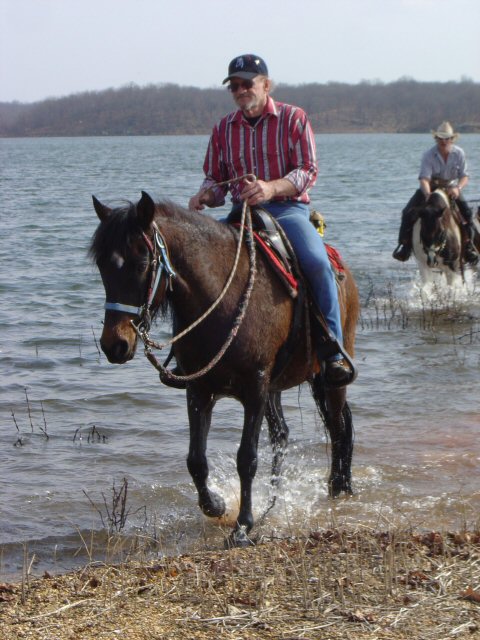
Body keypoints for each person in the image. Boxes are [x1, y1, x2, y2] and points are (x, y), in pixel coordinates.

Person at [188, 54, 353, 385]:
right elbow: (215, 178)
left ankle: (332, 351)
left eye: (246, 83)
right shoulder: (222, 128)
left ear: (265, 84)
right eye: (234, 86)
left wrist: (270, 188)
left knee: (317, 263)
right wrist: (205, 195)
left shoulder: (294, 118)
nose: (240, 90)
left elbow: (308, 170)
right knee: (196, 264)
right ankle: (194, 351)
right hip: (240, 214)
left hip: (287, 210)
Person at [393, 121, 478, 264]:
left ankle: (469, 246)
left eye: (447, 138)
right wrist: (427, 194)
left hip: (451, 188)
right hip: (430, 188)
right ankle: (405, 246)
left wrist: (458, 188)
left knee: (468, 215)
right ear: (436, 139)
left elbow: (464, 176)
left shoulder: (459, 153)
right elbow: (424, 179)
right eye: (440, 138)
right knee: (407, 212)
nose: (443, 141)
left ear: (452, 139)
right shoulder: (429, 155)